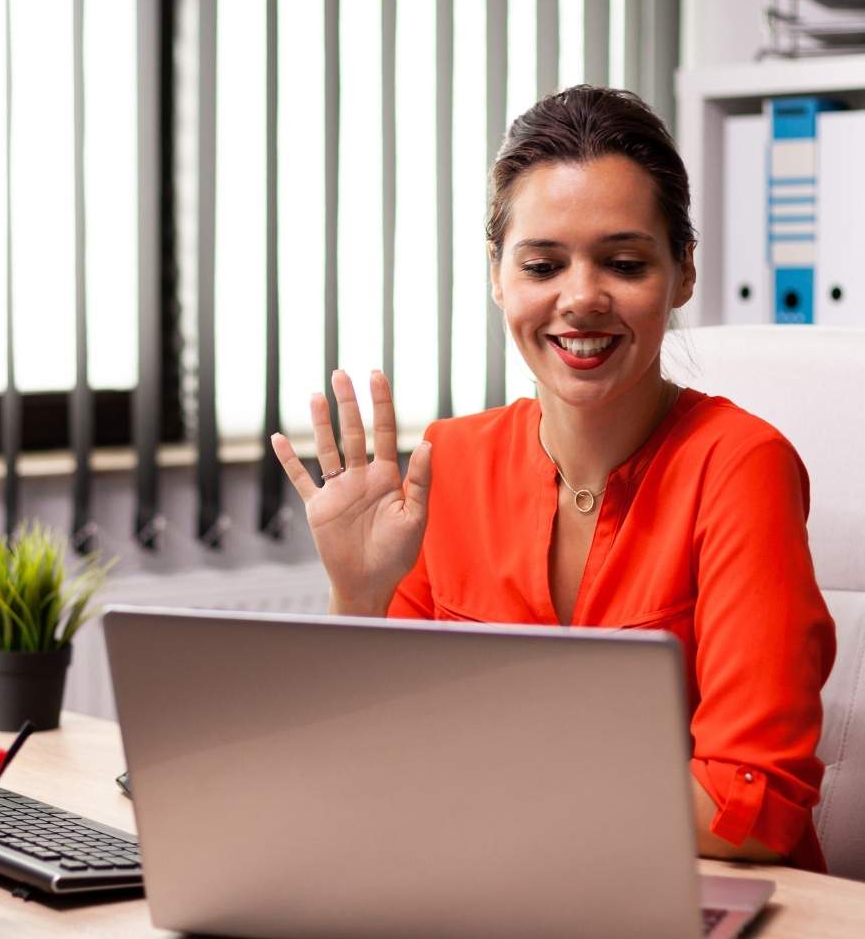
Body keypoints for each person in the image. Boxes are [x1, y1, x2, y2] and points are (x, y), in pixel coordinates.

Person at [270, 86, 835, 871]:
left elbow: (752, 807)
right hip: (501, 885)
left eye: (625, 263)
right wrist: (359, 598)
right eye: (543, 264)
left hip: (703, 900)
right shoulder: (449, 461)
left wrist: (469, 781)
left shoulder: (740, 467)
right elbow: (366, 760)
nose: (581, 299)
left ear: (683, 275)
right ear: (499, 277)